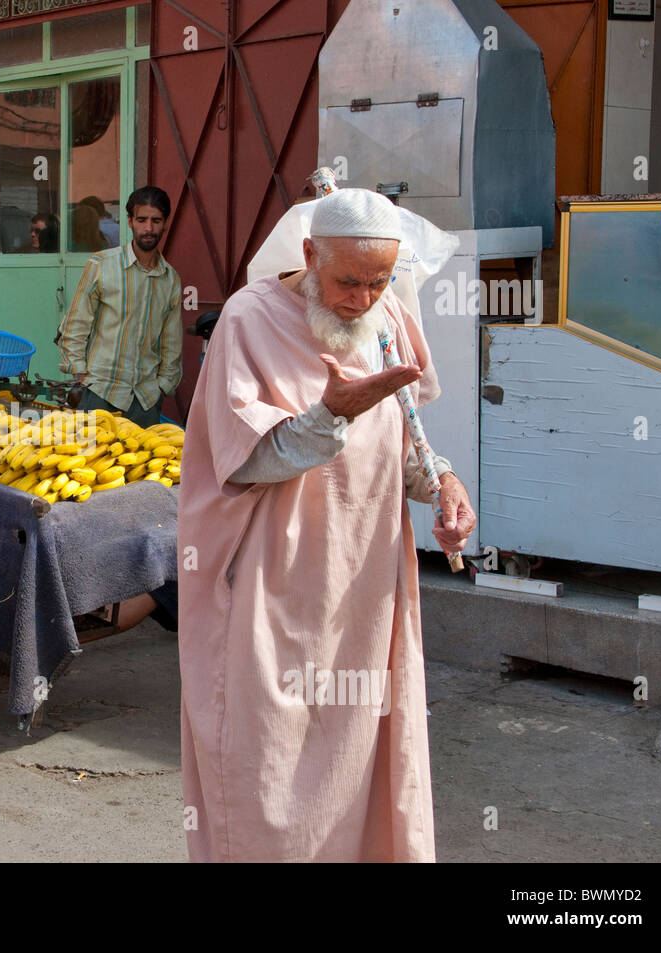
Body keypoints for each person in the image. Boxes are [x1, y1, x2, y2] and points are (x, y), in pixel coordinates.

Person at [176, 187, 476, 861]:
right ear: (310, 254)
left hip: (364, 600)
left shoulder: (389, 320)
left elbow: (405, 444)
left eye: (379, 282)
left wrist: (444, 486)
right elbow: (248, 458)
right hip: (270, 596)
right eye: (348, 282)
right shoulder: (249, 321)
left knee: (361, 777)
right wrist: (331, 414)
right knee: (267, 782)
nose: (363, 300)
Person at [57, 186, 182, 428]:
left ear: (165, 223)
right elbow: (77, 322)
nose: (148, 228)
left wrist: (164, 386)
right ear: (130, 221)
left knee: (141, 466)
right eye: (141, 219)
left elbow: (171, 341)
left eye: (156, 221)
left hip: (145, 399)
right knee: (88, 463)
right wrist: (79, 373)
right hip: (100, 391)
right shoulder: (102, 265)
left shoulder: (170, 279)